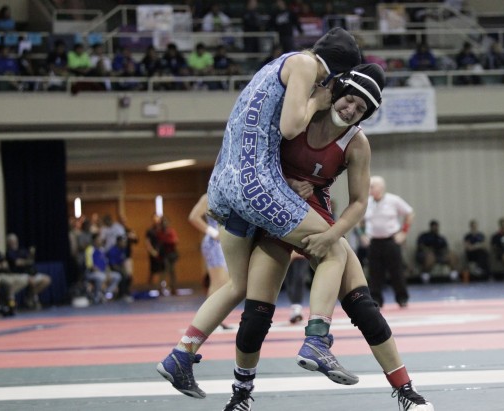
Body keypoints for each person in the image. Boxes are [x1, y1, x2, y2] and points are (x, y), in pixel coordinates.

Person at [157, 27, 362, 402]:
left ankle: (181, 355)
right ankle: (317, 339)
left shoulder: (275, 65)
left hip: (223, 184)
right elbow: (290, 126)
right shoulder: (304, 64)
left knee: (237, 284)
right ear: (334, 73)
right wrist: (319, 101)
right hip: (257, 185)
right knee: (334, 250)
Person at [225, 63, 433, 411]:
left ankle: (406, 392)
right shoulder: (303, 111)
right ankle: (240, 396)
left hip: (317, 218)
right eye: (349, 100)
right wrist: (284, 183)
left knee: (365, 308)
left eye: (360, 109)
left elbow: (359, 203)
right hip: (275, 219)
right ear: (338, 92)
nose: (350, 110)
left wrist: (332, 235)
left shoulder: (357, 143)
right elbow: (256, 154)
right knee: (255, 317)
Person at [362, 176, 414, 308]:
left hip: (391, 240)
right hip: (374, 242)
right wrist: (362, 235)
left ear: (381, 187)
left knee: (396, 271)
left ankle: (402, 297)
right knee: (375, 273)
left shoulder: (393, 200)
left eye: (372, 186)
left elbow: (410, 213)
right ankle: (376, 299)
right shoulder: (366, 202)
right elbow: (359, 221)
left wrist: (404, 232)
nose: (370, 189)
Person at [188, 193, 230, 329]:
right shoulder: (209, 197)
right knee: (217, 283)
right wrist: (213, 233)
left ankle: (216, 319)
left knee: (224, 284)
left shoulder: (230, 194)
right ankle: (207, 321)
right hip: (215, 243)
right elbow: (193, 217)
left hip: (226, 243)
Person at [5, 233, 52, 310]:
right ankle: (33, 299)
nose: (14, 243)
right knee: (31, 281)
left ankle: (30, 296)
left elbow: (30, 260)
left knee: (47, 279)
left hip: (30, 273)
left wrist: (30, 255)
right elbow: (18, 263)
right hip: (19, 274)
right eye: (12, 241)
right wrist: (26, 261)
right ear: (9, 243)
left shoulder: (21, 250)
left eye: (15, 241)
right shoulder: (9, 253)